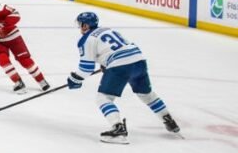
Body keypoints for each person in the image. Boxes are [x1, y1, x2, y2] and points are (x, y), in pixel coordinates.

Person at [67, 12, 180, 144]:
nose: (80, 28)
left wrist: (75, 79)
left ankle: (118, 129)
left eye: (80, 24)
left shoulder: (86, 39)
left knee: (103, 98)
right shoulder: (108, 29)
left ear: (85, 25)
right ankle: (168, 120)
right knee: (146, 94)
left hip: (120, 65)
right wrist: (106, 63)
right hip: (139, 61)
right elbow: (121, 47)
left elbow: (86, 68)